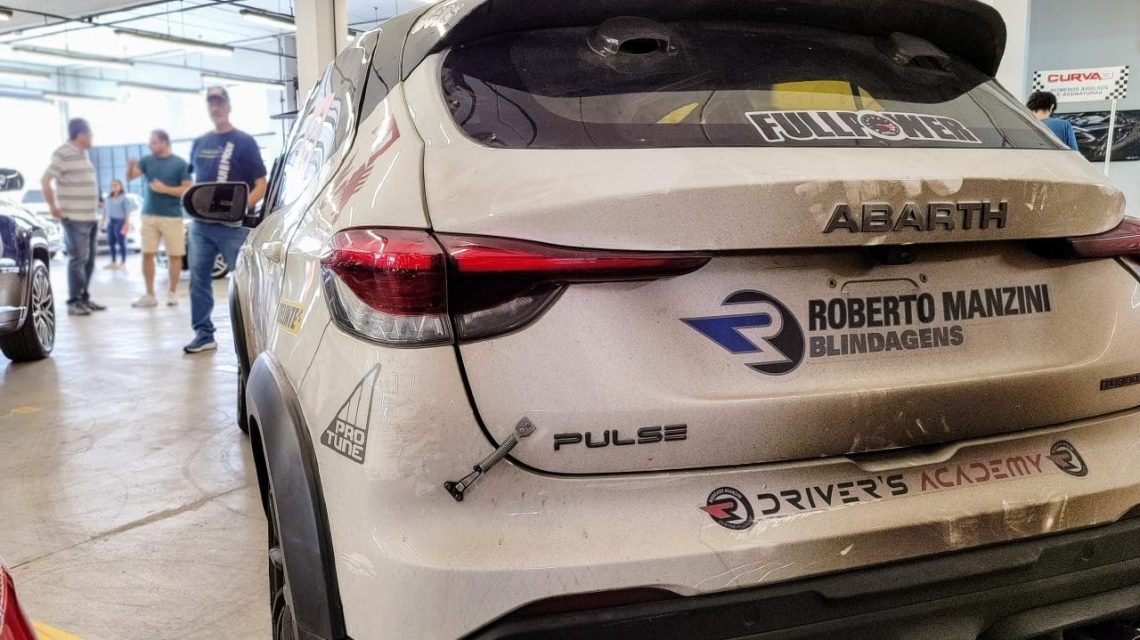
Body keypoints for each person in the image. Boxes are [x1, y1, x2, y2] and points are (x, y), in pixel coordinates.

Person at [184, 87, 266, 353]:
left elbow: (261, 185)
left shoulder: (244, 142)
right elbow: (192, 181)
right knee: (198, 281)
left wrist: (241, 208)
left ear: (229, 106)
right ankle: (204, 335)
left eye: (220, 102)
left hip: (233, 228)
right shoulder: (200, 143)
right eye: (211, 103)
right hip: (200, 226)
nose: (215, 107)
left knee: (244, 284)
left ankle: (256, 338)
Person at [42, 117, 105, 316]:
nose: (92, 138)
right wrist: (53, 207)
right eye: (91, 134)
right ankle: (74, 302)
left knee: (90, 260)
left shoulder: (83, 153)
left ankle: (83, 298)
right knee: (78, 259)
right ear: (81, 135)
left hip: (90, 216)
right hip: (74, 217)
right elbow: (45, 180)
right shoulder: (63, 153)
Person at [127, 129, 192, 308]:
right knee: (147, 254)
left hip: (172, 216)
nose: (150, 145)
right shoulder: (147, 161)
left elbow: (187, 188)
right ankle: (150, 295)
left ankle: (172, 293)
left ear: (164, 142)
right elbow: (130, 176)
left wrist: (165, 189)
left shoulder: (180, 164)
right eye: (150, 142)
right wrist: (129, 166)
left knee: (174, 255)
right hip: (149, 216)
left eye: (154, 142)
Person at [102, 179, 133, 271]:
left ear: (120, 187)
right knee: (111, 242)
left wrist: (126, 224)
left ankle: (123, 263)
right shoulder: (108, 198)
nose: (114, 186)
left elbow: (127, 212)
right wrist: (102, 222)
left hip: (120, 222)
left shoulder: (124, 198)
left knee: (121, 242)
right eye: (112, 185)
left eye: (116, 185)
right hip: (110, 222)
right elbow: (105, 211)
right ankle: (113, 262)